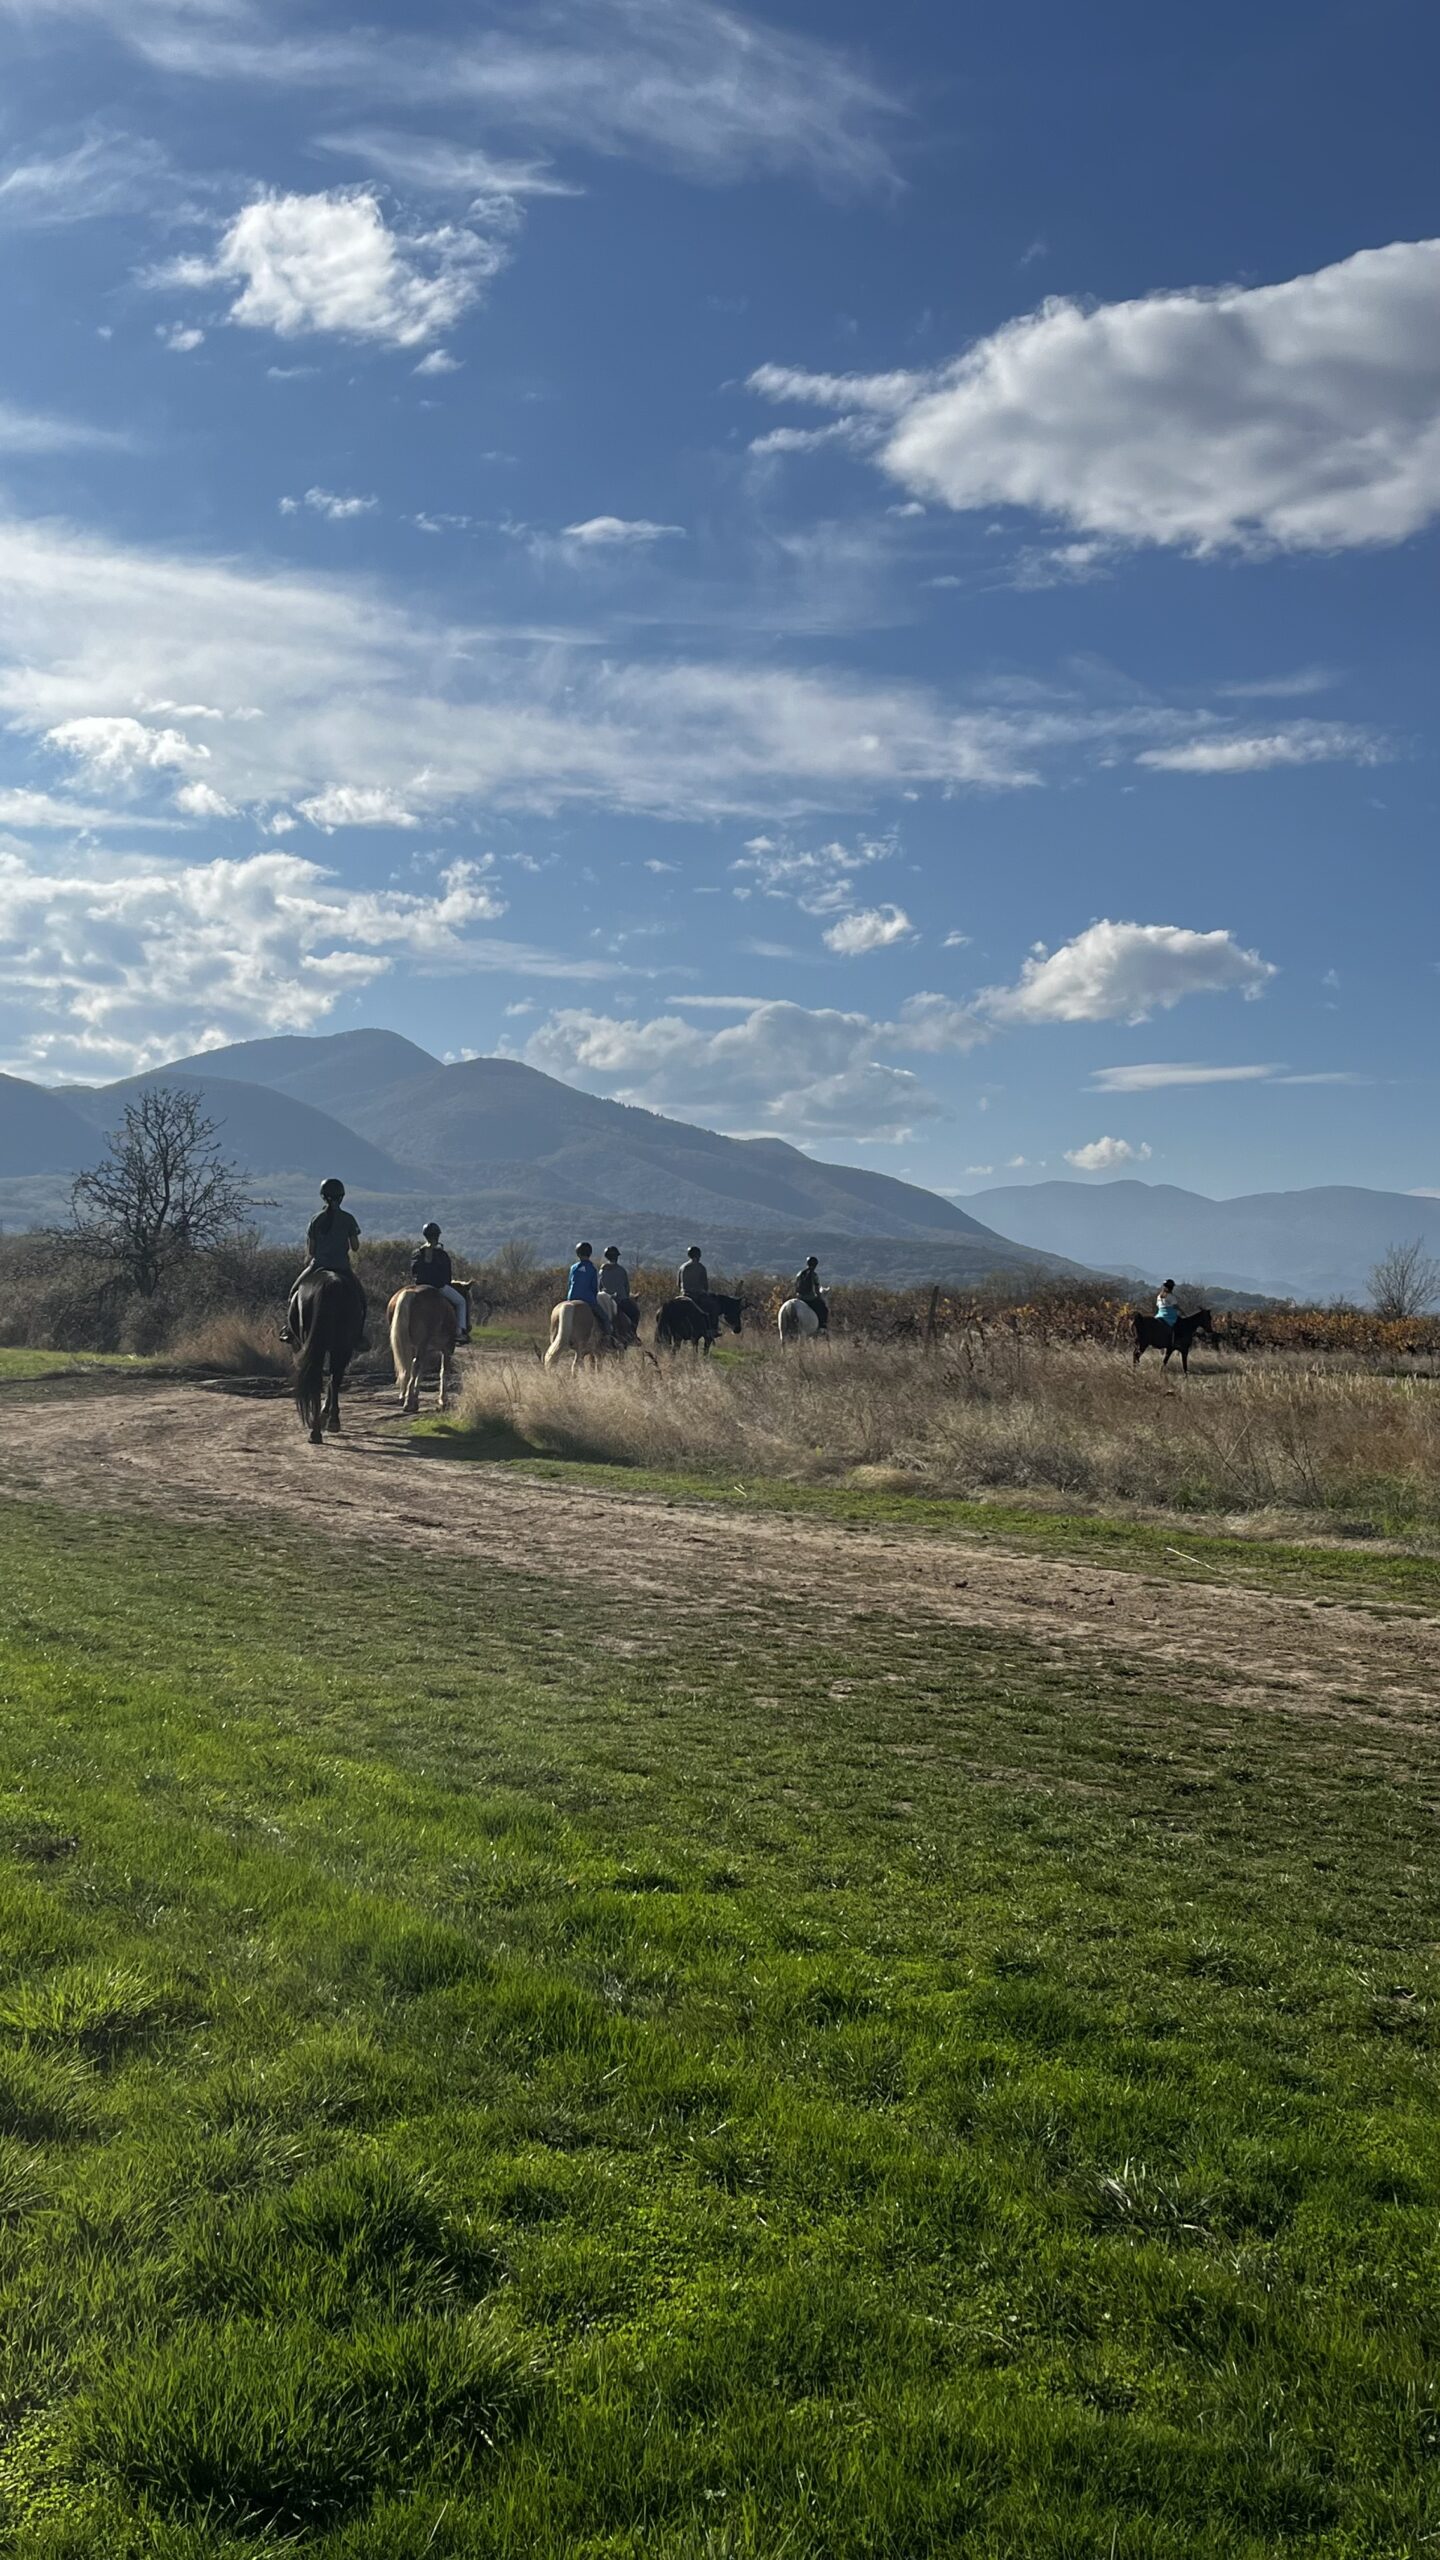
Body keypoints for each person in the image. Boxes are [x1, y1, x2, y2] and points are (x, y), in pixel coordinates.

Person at [285, 1177, 366, 1346]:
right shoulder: (348, 1219)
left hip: (318, 1266)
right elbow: (356, 1247)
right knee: (362, 1300)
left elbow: (312, 1250)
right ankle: (359, 1336)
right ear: (342, 1197)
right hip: (342, 1267)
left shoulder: (316, 1219)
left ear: (323, 1196)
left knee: (293, 1293)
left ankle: (289, 1331)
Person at [411, 1221, 470, 1344]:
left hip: (419, 1286)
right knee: (461, 1302)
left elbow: (414, 1272)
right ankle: (460, 1332)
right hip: (439, 1288)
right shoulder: (442, 1254)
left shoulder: (416, 1253)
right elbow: (447, 1277)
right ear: (437, 1236)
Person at [567, 1240, 613, 1337]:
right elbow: (594, 1288)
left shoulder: (573, 1268)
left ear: (578, 1254)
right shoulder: (592, 1268)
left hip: (571, 1298)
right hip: (587, 1300)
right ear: (590, 1254)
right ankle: (609, 1338)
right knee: (605, 1318)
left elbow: (570, 1283)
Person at [599, 1245, 639, 1338]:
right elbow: (626, 1287)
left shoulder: (602, 1271)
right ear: (616, 1257)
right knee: (635, 1313)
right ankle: (632, 1335)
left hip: (605, 1300)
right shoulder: (621, 1270)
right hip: (620, 1300)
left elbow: (599, 1287)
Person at [794, 1254, 829, 1331]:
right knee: (823, 1308)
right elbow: (816, 1289)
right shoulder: (814, 1275)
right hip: (810, 1299)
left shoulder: (799, 1273)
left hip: (799, 1297)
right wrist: (819, 1298)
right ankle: (822, 1326)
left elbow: (795, 1285)